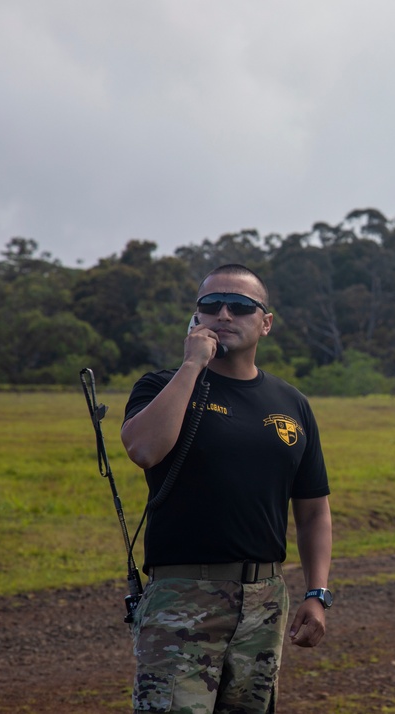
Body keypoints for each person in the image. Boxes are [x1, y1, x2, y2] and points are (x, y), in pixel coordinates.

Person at [121, 264, 333, 713]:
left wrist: (317, 593)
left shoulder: (291, 403)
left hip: (264, 602)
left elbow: (313, 511)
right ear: (195, 318)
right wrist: (193, 364)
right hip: (182, 598)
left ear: (265, 322)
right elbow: (143, 449)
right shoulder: (162, 385)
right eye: (210, 306)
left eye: (239, 306)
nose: (223, 314)